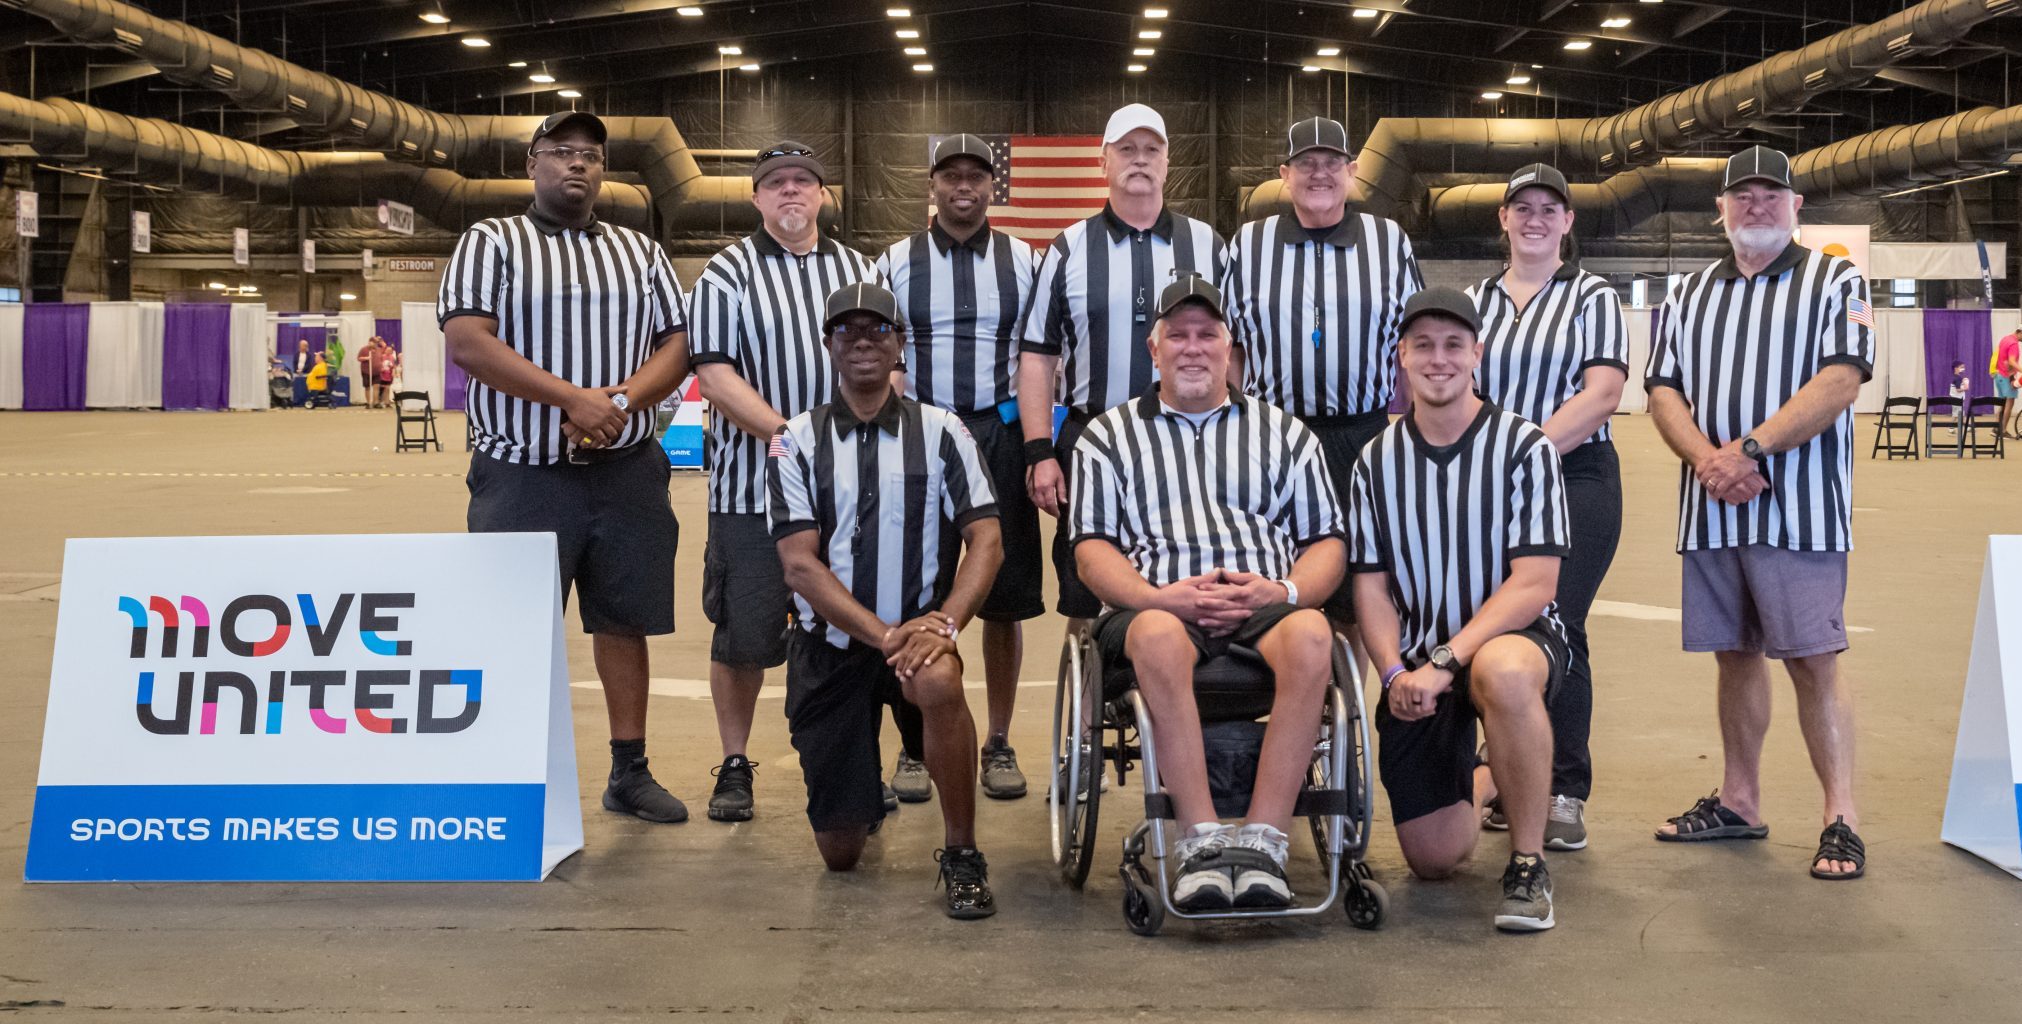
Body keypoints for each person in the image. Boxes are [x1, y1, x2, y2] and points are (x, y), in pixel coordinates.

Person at [439, 111, 693, 824]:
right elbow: (469, 343)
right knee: (513, 626)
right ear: (531, 164)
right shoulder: (491, 242)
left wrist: (617, 402)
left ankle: (629, 770)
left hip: (626, 471)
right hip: (523, 475)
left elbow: (678, 342)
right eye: (561, 153)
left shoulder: (639, 251)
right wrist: (572, 400)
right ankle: (505, 774)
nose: (577, 166)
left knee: (623, 622)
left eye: (590, 155)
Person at [1069, 276, 1344, 912]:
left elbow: (1328, 543)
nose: (1194, 348)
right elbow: (1091, 550)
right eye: (1178, 335)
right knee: (1160, 637)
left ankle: (1265, 842)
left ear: (1230, 349)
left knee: (1312, 633)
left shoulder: (1286, 434)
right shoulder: (1108, 437)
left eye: (1208, 335)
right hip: (1155, 604)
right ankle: (1199, 838)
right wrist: (1155, 598)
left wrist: (1283, 588)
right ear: (1154, 348)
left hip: (1262, 605)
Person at [1646, 145, 1873, 881]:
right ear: (1721, 208)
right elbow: (1662, 392)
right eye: (1740, 195)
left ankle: (1841, 817)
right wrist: (1707, 461)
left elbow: (1841, 380)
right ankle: (1740, 801)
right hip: (1711, 508)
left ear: (1795, 205)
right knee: (1733, 653)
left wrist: (1748, 450)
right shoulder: (1688, 292)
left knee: (1812, 659)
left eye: (1770, 194)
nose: (1755, 205)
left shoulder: (1835, 279)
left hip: (1798, 513)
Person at [766, 281, 1003, 919]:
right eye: (848, 329)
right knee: (841, 854)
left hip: (921, 643)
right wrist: (885, 634)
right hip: (833, 648)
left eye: (878, 329)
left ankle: (961, 853)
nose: (864, 340)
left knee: (939, 682)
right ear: (828, 345)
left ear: (901, 344)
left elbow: (986, 540)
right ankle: (856, 795)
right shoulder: (794, 440)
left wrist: (946, 625)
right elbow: (799, 566)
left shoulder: (944, 430)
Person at [1346, 286, 1571, 932]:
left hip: (1513, 640)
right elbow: (1373, 589)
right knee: (1435, 858)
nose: (1438, 359)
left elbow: (1535, 583)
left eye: (1453, 345)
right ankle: (1488, 776)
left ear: (1477, 352)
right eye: (1423, 346)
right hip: (1419, 660)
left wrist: (1447, 661)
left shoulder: (1524, 446)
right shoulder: (1375, 462)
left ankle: (1528, 864)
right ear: (1402, 357)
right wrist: (1392, 673)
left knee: (1499, 673)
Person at [690, 141, 880, 823]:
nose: (792, 193)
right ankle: (735, 762)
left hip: (851, 489)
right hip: (751, 490)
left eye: (804, 181)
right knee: (744, 634)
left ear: (824, 195)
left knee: (854, 631)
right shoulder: (725, 273)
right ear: (756, 198)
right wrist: (789, 440)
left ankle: (857, 762)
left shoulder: (859, 270)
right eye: (777, 184)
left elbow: (885, 364)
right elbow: (714, 375)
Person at [1019, 103, 1226, 645]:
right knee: (1088, 586)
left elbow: (1237, 347)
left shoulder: (1207, 245)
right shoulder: (1068, 248)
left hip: (1190, 439)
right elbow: (1038, 355)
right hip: (1093, 441)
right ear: (1103, 162)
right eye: (1126, 150)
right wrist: (1040, 450)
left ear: (1167, 162)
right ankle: (1091, 706)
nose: (1140, 160)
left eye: (1151, 150)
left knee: (1189, 561)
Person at [1464, 164, 1627, 852]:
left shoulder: (1593, 296)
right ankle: (1505, 773)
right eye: (1521, 207)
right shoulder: (1474, 300)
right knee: (1492, 623)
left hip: (1575, 474)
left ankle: (1564, 788)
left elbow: (1603, 392)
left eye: (1548, 209)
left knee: (1560, 617)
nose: (1535, 218)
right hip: (1489, 480)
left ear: (1566, 222)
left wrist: (1523, 449)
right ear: (1503, 218)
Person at [1220, 116, 1422, 659]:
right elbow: (1229, 346)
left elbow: (1414, 342)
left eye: (1332, 163)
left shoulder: (1389, 241)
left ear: (1353, 172)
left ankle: (1348, 718)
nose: (1320, 174)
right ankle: (1289, 691)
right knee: (1276, 569)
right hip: (1272, 438)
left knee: (1361, 578)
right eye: (1306, 164)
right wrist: (1248, 411)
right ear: (1285, 174)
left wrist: (1413, 425)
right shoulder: (1250, 244)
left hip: (1361, 436)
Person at [876, 133, 1039, 801]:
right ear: (932, 186)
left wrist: (1039, 444)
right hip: (923, 437)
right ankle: (915, 743)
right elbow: (878, 347)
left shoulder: (1027, 260)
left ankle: (996, 740)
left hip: (998, 434)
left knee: (1003, 600)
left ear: (993, 186)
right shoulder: (895, 261)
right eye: (951, 176)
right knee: (915, 593)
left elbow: (1045, 351)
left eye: (977, 175)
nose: (963, 186)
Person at [1996, 327, 2021, 438]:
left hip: (1999, 375)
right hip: (2007, 377)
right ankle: (2003, 430)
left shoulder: (2005, 339)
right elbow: (2011, 361)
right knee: (2009, 404)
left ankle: (1996, 428)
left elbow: (2002, 358)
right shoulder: (2014, 344)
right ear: (2019, 332)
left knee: (2002, 403)